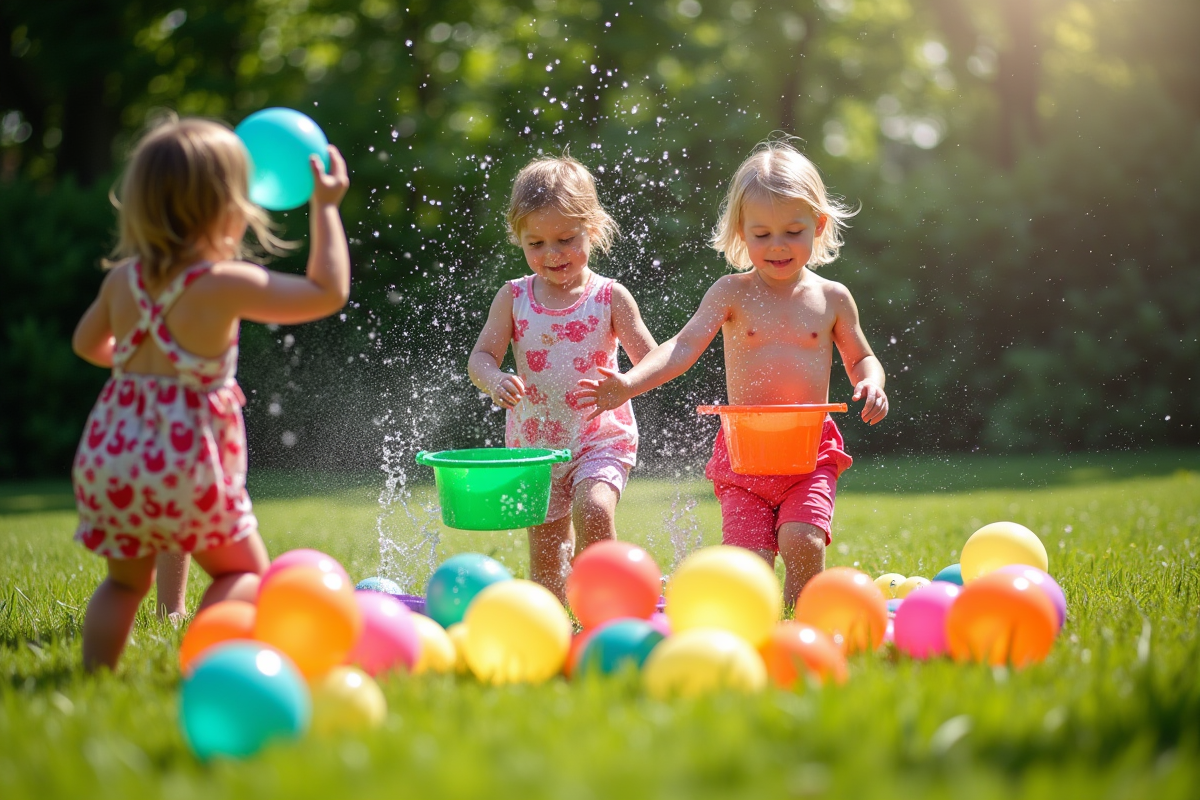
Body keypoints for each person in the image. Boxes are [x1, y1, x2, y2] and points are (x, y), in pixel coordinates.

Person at [70, 117, 350, 670]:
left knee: (124, 585)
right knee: (238, 572)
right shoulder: (220, 282)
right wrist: (326, 207)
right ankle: (209, 663)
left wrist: (144, 375)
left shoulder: (121, 280)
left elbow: (86, 345)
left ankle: (91, 677)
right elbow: (327, 291)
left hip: (112, 458)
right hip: (184, 460)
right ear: (227, 206)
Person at [577, 139, 888, 606]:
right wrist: (629, 384)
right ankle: (756, 627)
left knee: (802, 541)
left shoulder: (833, 298)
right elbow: (680, 349)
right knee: (750, 564)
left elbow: (861, 357)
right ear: (742, 232)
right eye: (761, 234)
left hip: (809, 450)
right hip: (746, 455)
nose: (777, 245)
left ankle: (801, 624)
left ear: (818, 226)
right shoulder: (731, 293)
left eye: (792, 231)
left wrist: (872, 382)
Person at [468, 154, 657, 601]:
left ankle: (608, 599)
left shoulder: (609, 297)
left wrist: (626, 385)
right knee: (547, 557)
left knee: (593, 510)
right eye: (536, 243)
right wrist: (494, 379)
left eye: (566, 239)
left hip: (600, 437)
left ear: (592, 229)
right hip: (536, 447)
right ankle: (557, 621)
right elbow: (480, 357)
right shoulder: (513, 297)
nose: (552, 254)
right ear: (518, 238)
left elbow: (654, 358)